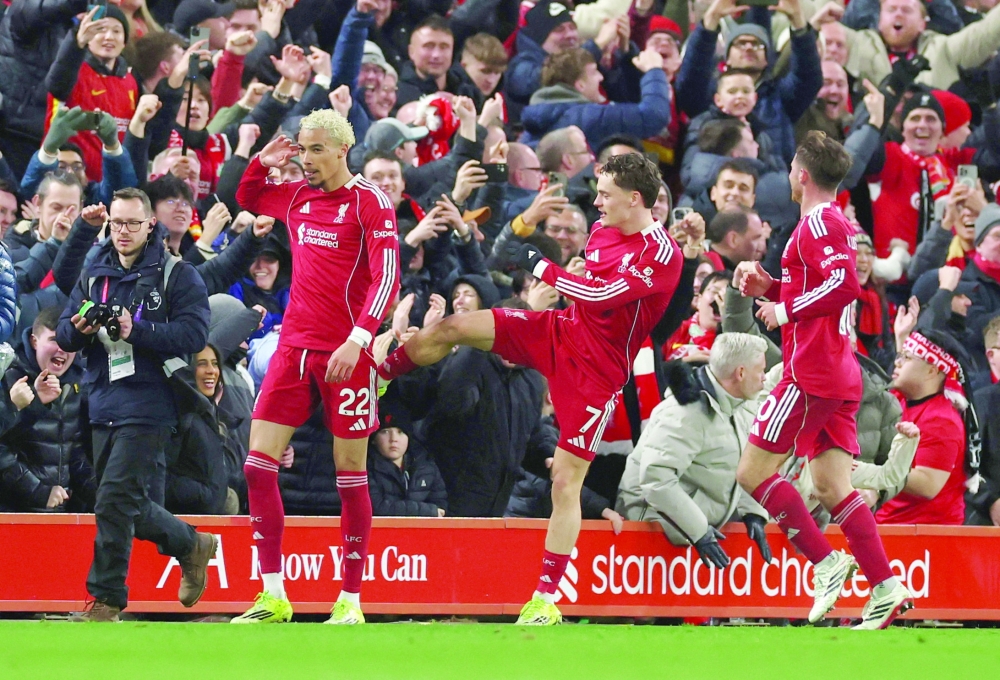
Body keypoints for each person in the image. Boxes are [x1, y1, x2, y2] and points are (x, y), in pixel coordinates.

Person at [378, 153, 682, 625]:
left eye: (604, 194)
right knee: (452, 327)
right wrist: (559, 273)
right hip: (557, 330)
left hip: (595, 373)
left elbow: (600, 295)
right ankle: (381, 376)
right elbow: (588, 287)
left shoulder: (661, 254)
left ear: (635, 199)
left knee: (565, 482)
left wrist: (545, 269)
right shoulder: (604, 231)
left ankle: (544, 599)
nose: (596, 202)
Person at [734, 131, 912, 630]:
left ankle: (827, 563)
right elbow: (820, 286)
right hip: (837, 369)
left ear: (802, 174)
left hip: (811, 370)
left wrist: (783, 306)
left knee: (752, 472)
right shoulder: (824, 223)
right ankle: (885, 585)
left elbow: (844, 285)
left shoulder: (821, 222)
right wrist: (769, 287)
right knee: (833, 483)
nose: (788, 173)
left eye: (791, 165)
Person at [231, 108, 400, 625]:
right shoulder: (297, 197)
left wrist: (359, 338)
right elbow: (248, 198)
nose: (305, 160)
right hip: (293, 348)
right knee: (258, 466)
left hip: (347, 353)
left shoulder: (369, 201)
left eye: (315, 150)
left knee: (350, 471)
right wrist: (262, 161)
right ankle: (273, 594)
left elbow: (388, 276)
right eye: (302, 150)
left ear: (342, 150)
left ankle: (350, 600)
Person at [55, 188, 215, 622]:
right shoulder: (95, 269)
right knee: (122, 501)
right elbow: (65, 336)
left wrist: (136, 330)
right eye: (116, 224)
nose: (122, 232)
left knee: (113, 501)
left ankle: (105, 601)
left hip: (151, 401)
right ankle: (190, 543)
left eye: (131, 223)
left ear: (150, 225)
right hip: (101, 397)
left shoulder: (177, 274)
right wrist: (80, 329)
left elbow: (194, 336)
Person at [617, 333, 773, 568]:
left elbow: (745, 464)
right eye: (761, 370)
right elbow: (656, 479)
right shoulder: (685, 413)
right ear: (740, 374)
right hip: (652, 530)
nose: (764, 378)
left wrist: (753, 512)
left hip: (697, 529)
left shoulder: (744, 406)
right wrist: (698, 531)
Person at [876, 330, 972, 525]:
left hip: (926, 538)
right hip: (892, 526)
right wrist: (901, 338)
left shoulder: (942, 421)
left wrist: (869, 471)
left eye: (907, 357)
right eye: (900, 356)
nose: (897, 362)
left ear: (931, 371)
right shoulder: (901, 399)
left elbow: (927, 484)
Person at [367, 389, 448, 517]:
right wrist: (428, 511)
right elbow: (376, 508)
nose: (393, 439)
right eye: (385, 432)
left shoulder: (426, 465)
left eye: (400, 432)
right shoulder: (364, 468)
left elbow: (441, 506)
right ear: (373, 440)